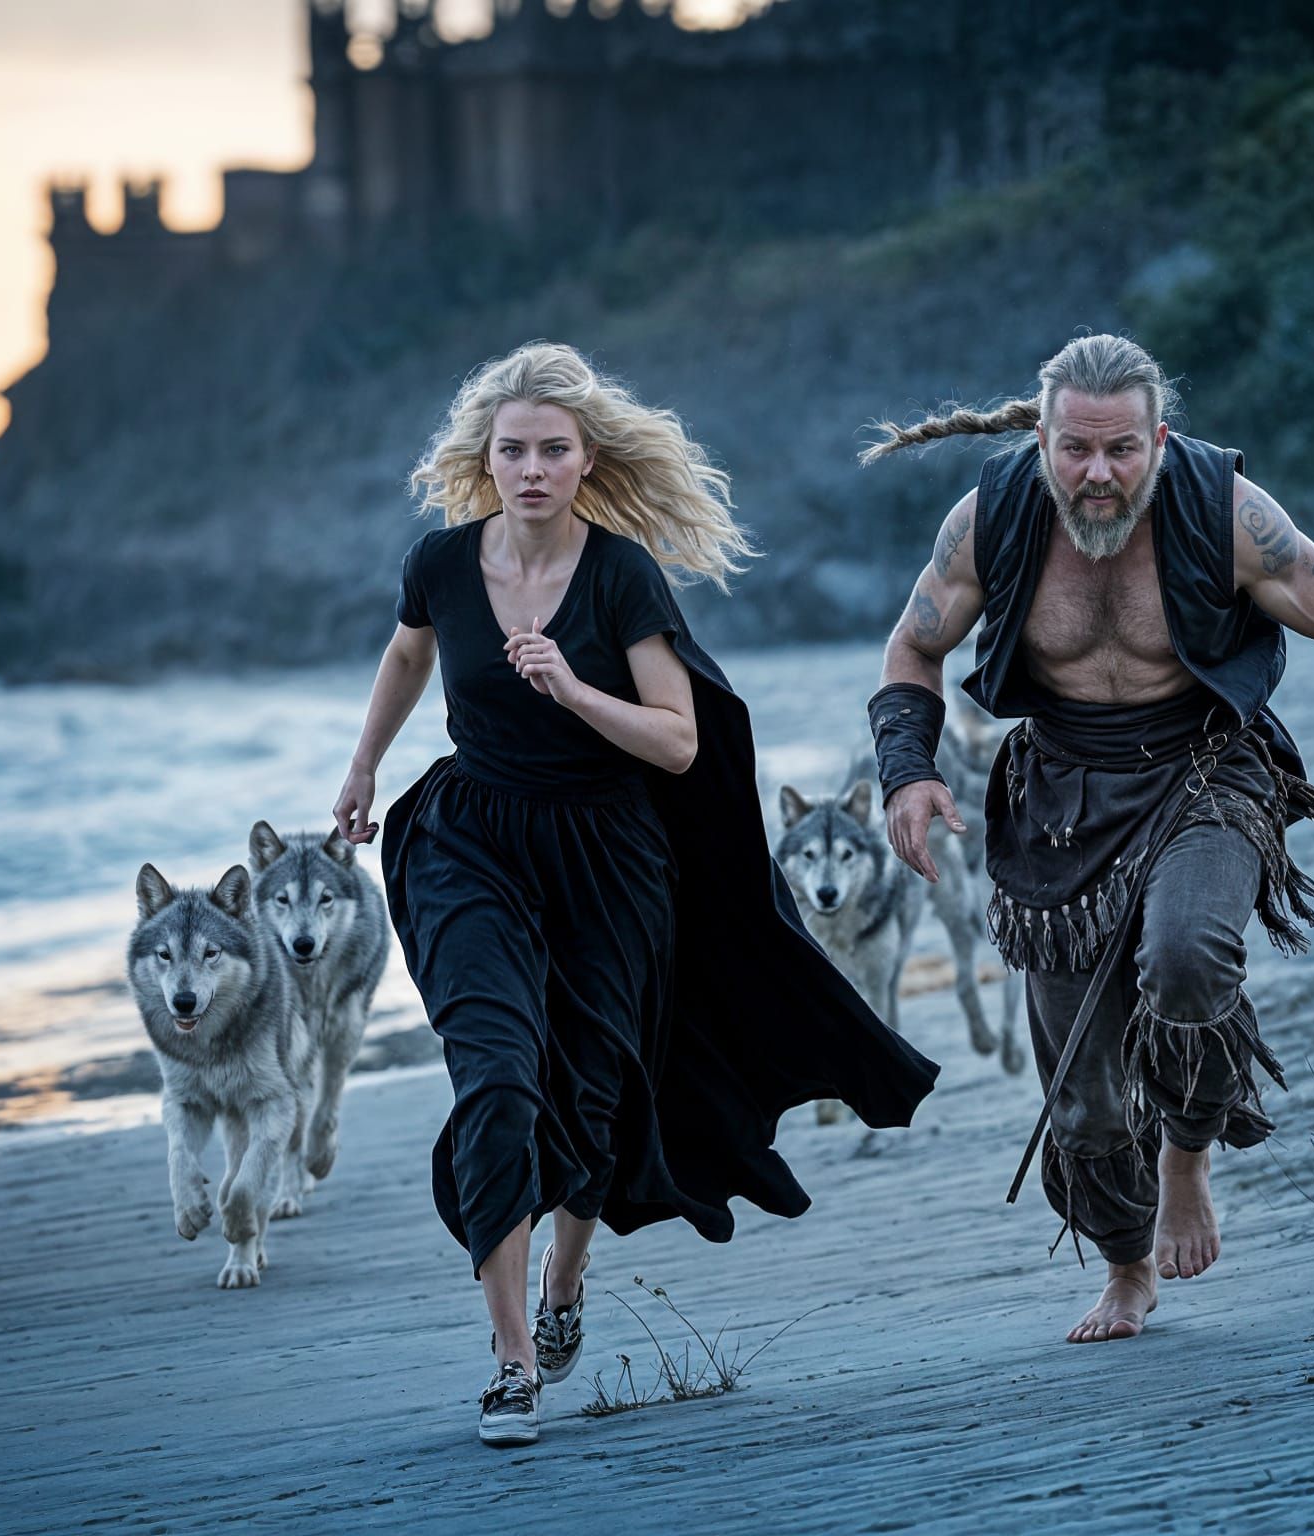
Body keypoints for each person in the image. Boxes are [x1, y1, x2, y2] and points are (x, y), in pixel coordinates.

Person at [332, 342, 939, 1445]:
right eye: (509, 450)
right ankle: (513, 1363)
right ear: (484, 458)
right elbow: (409, 657)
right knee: (500, 1081)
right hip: (471, 843)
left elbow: (676, 740)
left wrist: (569, 688)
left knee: (593, 1096)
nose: (528, 468)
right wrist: (366, 765)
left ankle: (570, 1271)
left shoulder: (619, 577)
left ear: (585, 459)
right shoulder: (439, 562)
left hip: (608, 860)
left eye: (550, 450)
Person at [861, 334, 1314, 1344]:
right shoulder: (991, 519)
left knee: (1187, 958)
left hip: (1207, 766)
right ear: (1042, 440)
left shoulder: (1224, 509)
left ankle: (1189, 1157)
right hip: (1061, 793)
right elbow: (914, 643)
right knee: (1081, 1106)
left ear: (1158, 439)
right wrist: (907, 773)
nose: (1098, 474)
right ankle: (1127, 1270)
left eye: (1122, 450)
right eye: (1076, 450)